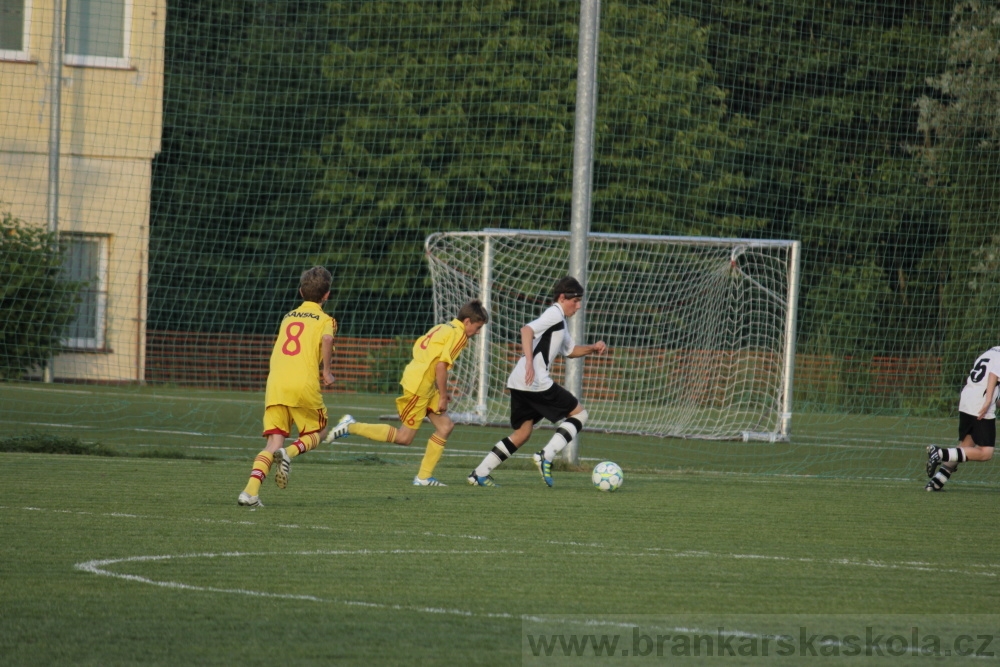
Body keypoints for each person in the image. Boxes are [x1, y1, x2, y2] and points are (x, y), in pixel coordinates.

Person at [326, 300, 489, 486]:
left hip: (423, 382)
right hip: (419, 386)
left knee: (445, 427)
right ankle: (350, 426)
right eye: (477, 328)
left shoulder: (444, 327)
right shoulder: (460, 335)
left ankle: (424, 477)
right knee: (405, 438)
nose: (477, 333)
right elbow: (441, 365)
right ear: (467, 321)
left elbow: (422, 350)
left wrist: (437, 390)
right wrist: (443, 395)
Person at [467, 276, 607, 487]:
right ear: (562, 297)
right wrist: (531, 363)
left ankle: (478, 474)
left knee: (523, 433)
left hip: (520, 381)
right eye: (575, 301)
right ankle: (546, 455)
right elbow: (526, 330)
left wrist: (592, 348)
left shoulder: (560, 320)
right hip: (535, 381)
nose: (578, 306)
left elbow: (570, 351)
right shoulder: (553, 313)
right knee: (580, 413)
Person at [237, 267, 350, 507]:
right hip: (303, 384)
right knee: (319, 431)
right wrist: (327, 372)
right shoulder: (326, 320)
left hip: (276, 383)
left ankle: (250, 493)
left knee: (273, 442)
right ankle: (290, 453)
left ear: (300, 292)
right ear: (327, 295)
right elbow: (327, 339)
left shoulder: (288, 316)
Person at [925, 345, 999, 491]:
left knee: (965, 446)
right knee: (986, 453)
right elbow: (993, 374)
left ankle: (936, 483)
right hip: (981, 403)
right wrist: (989, 399)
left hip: (967, 398)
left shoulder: (992, 350)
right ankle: (939, 453)